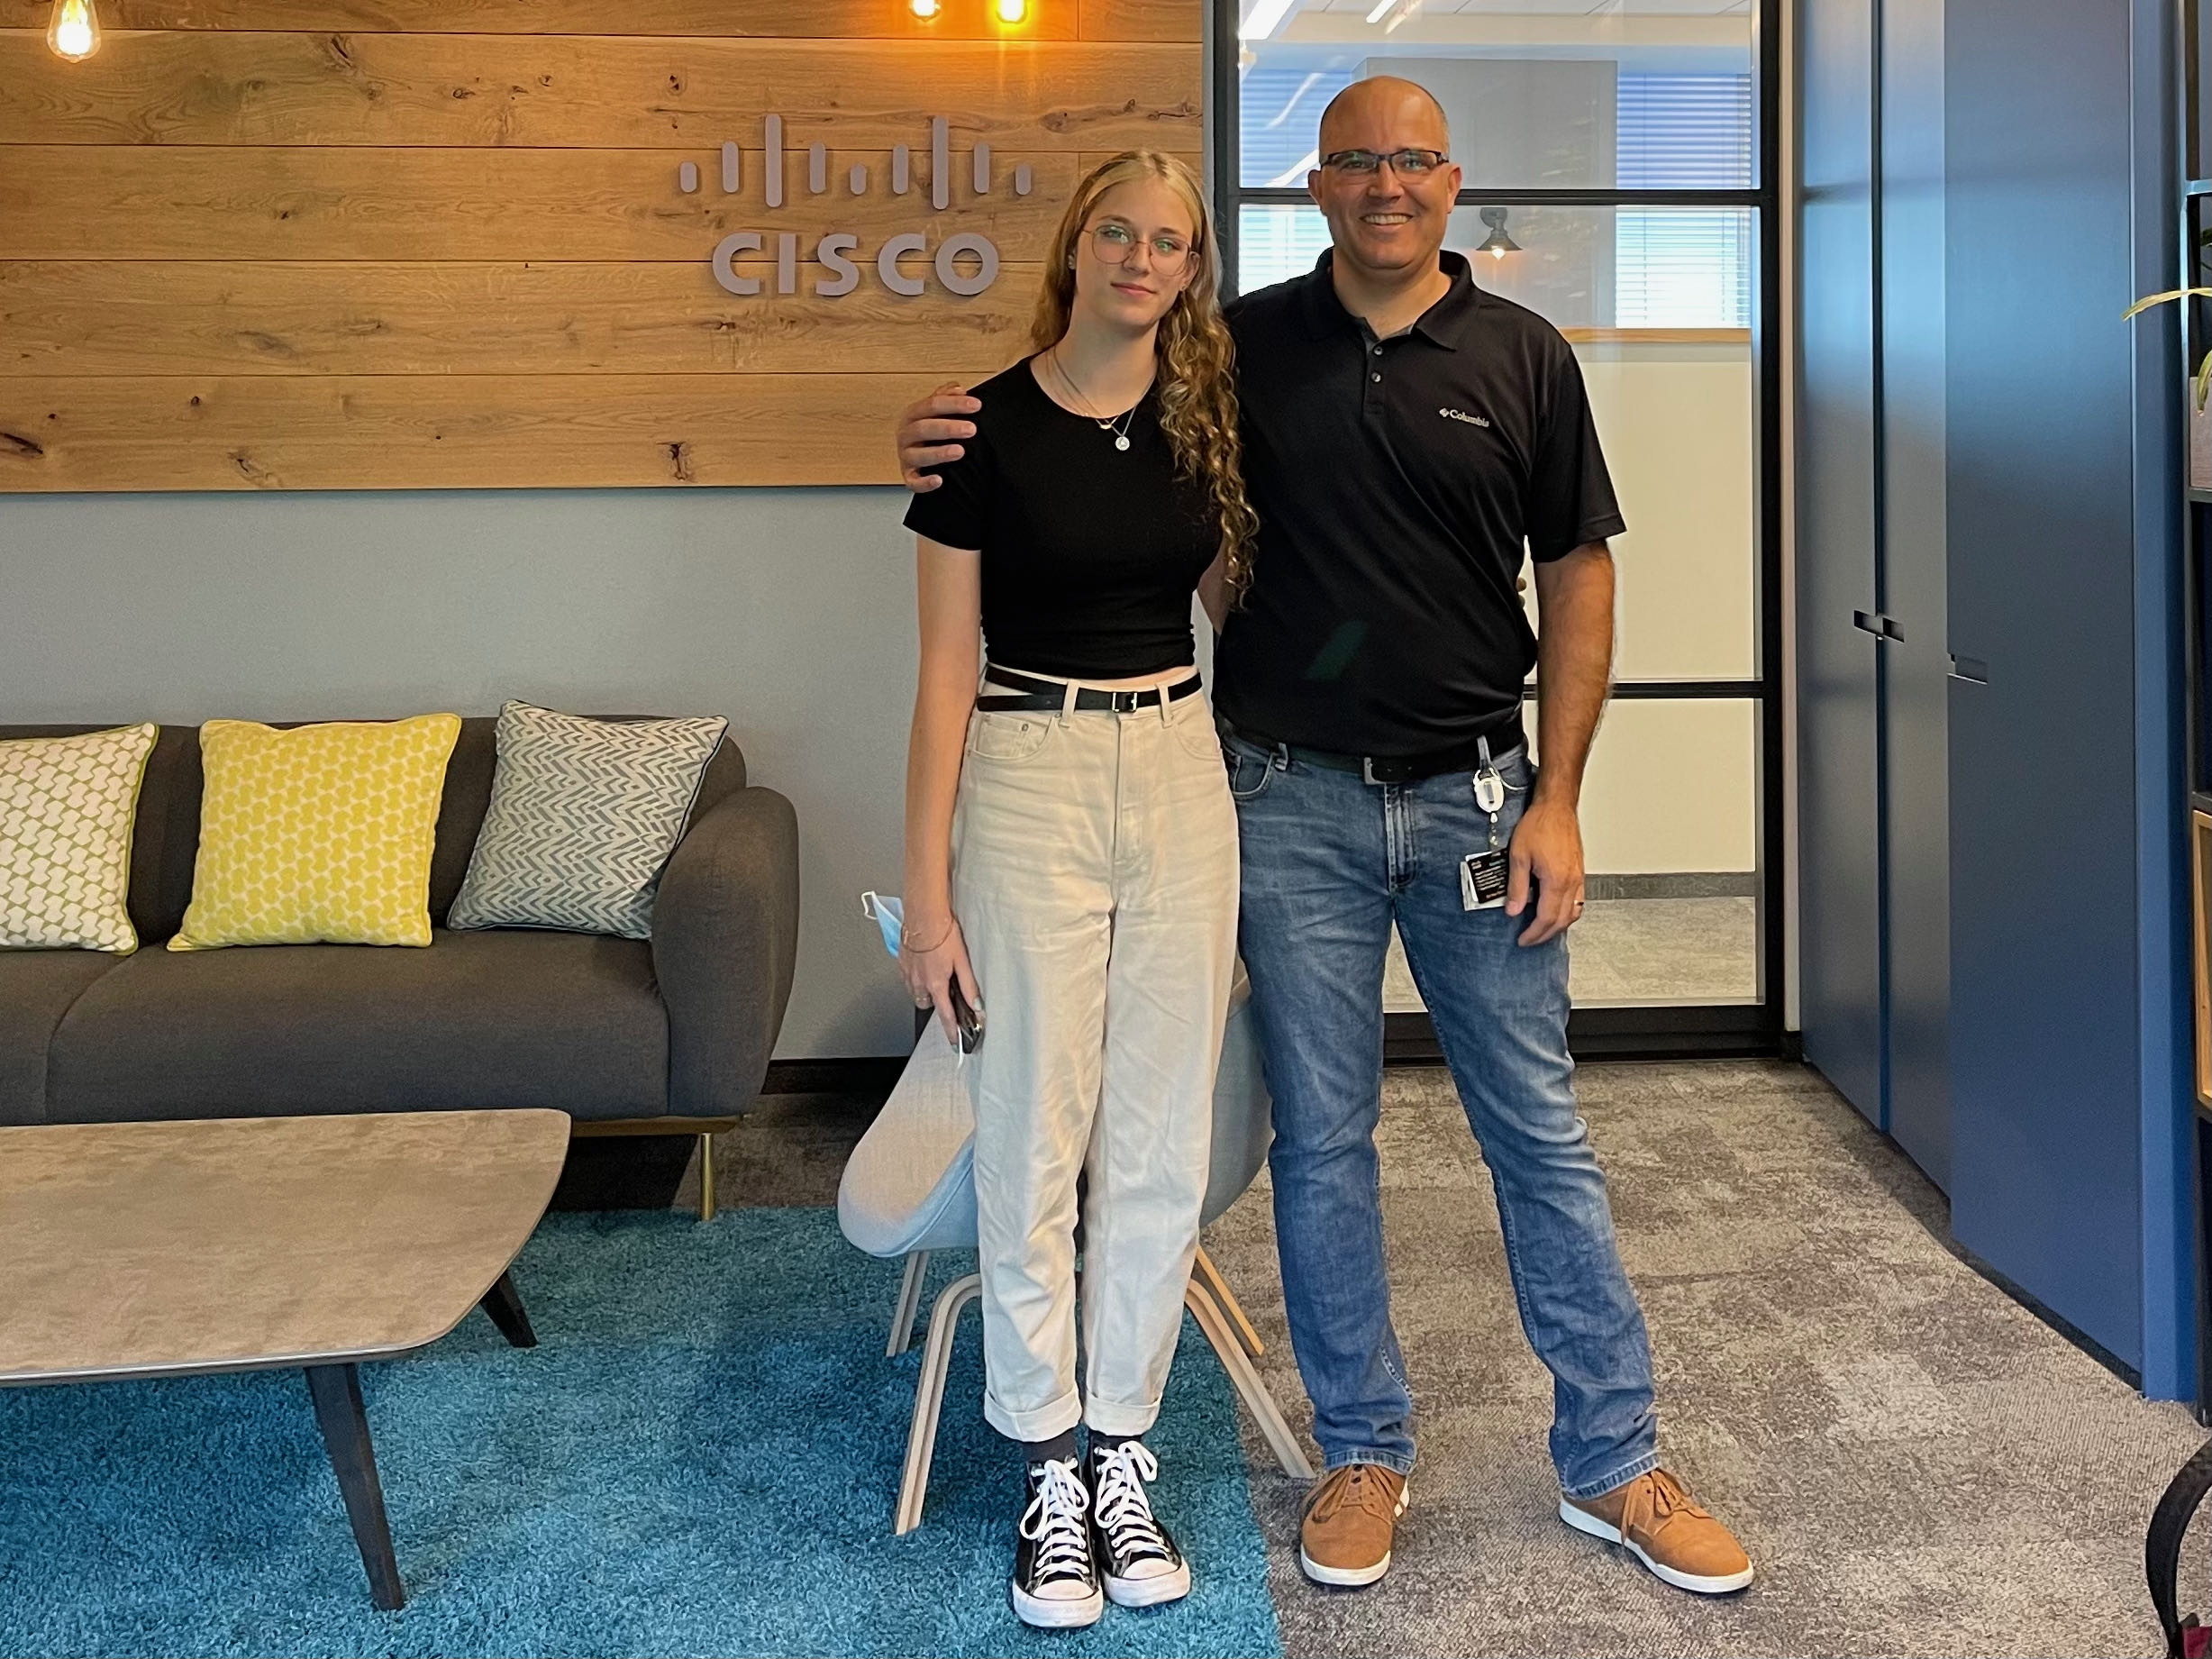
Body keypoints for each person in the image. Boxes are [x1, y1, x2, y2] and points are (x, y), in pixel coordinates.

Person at [897, 79, 1754, 1599]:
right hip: (1280, 800)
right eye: (1356, 159)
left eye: (1412, 159)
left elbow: (1579, 577)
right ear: (1315, 183)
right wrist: (931, 427)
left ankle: (1616, 1458)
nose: (1386, 184)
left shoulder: (1523, 354)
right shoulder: (1240, 356)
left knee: (1538, 1135)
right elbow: (1067, 437)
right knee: (1325, 1148)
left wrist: (1559, 792)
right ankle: (1361, 1448)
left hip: (1481, 798)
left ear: (1449, 178)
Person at [895, 149, 1257, 1629]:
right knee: (1031, 1135)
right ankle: (1046, 1464)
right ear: (1078, 244)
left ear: (1189, 270)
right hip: (1028, 771)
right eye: (1120, 230)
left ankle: (1124, 1446)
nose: (1142, 258)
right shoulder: (976, 428)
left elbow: (1244, 595)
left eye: (1170, 242)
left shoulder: (1212, 423)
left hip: (1179, 769)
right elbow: (939, 679)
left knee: (1159, 1138)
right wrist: (926, 898)